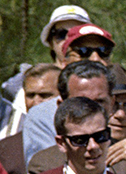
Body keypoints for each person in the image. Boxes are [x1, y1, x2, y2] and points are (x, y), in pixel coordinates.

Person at [21, 23, 116, 164]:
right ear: (64, 61)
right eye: (83, 51)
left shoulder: (124, 109)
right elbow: (46, 167)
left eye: (103, 51)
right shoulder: (41, 117)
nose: (95, 58)